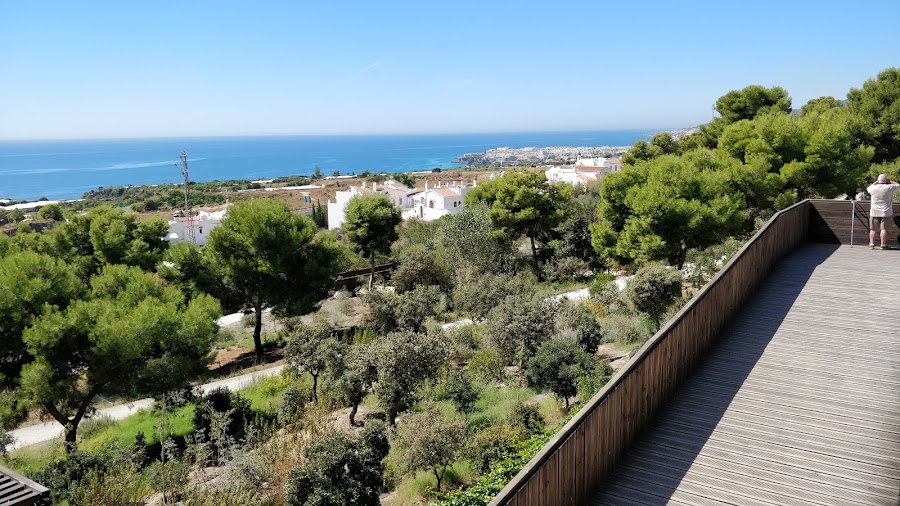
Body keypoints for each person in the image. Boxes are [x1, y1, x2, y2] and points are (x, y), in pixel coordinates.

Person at [867, 174, 900, 249]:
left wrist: (876, 182)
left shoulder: (873, 188)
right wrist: (890, 181)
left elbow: (869, 188)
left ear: (878, 180)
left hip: (874, 212)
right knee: (884, 229)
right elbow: (898, 185)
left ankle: (871, 244)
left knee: (873, 229)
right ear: (885, 180)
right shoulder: (889, 187)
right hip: (886, 212)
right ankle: (883, 245)